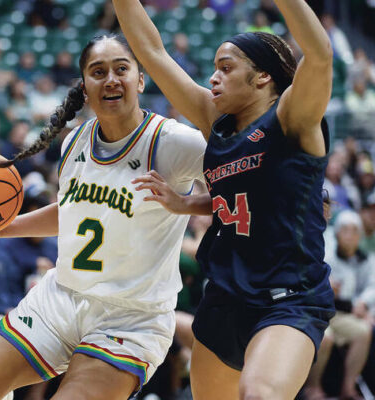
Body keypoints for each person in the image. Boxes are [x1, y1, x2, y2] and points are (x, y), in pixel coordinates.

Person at [0, 34, 207, 400]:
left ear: (140, 80)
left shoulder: (176, 142)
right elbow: (73, 213)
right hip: (60, 297)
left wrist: (186, 204)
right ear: (85, 87)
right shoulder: (75, 141)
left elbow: (248, 189)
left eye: (121, 69)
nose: (110, 79)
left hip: (131, 317)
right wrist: (0, 228)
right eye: (98, 72)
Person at [111, 0, 336, 398]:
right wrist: (188, 203)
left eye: (226, 68)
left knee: (259, 393)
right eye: (215, 68)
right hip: (225, 298)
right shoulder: (216, 122)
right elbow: (152, 51)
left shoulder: (292, 117)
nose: (213, 78)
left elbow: (319, 56)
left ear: (263, 76)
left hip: (286, 299)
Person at [305, 211, 375, 400]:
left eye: (355, 231)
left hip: (341, 312)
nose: (350, 235)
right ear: (337, 233)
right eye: (345, 230)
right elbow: (320, 286)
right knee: (326, 337)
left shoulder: (365, 257)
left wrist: (362, 304)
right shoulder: (327, 250)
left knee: (363, 331)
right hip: (318, 311)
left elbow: (374, 286)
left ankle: (348, 387)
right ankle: (312, 388)